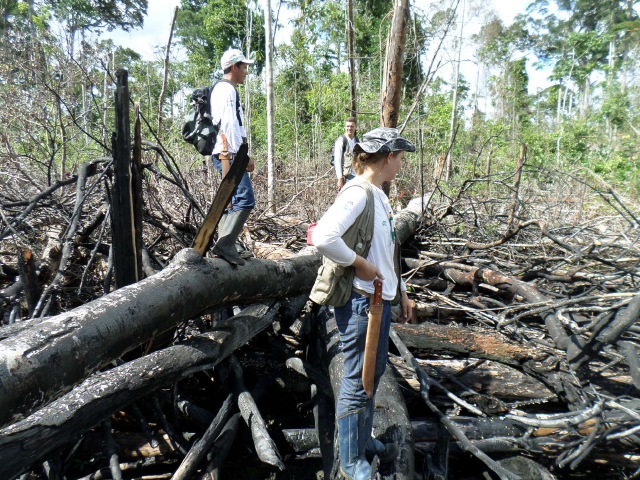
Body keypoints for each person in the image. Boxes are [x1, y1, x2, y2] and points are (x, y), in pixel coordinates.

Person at [310, 127, 415, 480]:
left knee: (374, 371)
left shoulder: (379, 194)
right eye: (400, 158)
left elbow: (386, 250)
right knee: (356, 380)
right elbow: (323, 236)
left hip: (379, 302)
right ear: (389, 157)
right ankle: (352, 460)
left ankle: (363, 439)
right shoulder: (357, 193)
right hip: (359, 304)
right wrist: (358, 263)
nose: (401, 164)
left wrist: (402, 291)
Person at [209, 48, 255, 265]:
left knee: (231, 200)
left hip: (227, 152)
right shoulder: (226, 90)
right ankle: (225, 244)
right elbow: (228, 125)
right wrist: (242, 157)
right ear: (235, 67)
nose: (246, 71)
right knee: (245, 198)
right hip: (228, 153)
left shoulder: (225, 89)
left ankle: (229, 244)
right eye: (244, 67)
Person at [334, 117, 359, 191]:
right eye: (347, 126)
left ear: (356, 127)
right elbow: (337, 161)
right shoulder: (341, 141)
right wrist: (340, 179)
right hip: (347, 177)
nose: (349, 128)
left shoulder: (358, 140)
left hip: (358, 175)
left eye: (352, 126)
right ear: (345, 127)